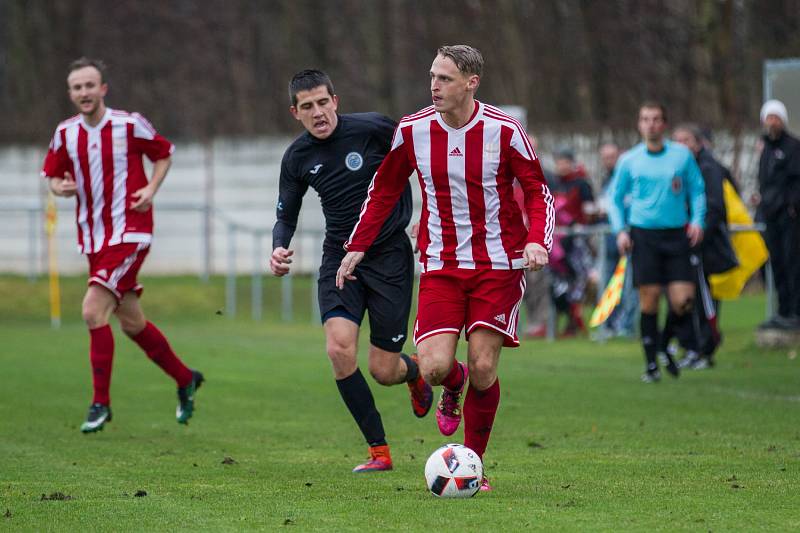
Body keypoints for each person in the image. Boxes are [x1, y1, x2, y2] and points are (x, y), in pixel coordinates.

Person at [336, 45, 553, 491]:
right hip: (441, 265)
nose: (434, 85)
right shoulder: (413, 131)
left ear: (471, 83)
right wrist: (357, 245)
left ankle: (474, 465)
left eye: (445, 78)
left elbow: (537, 191)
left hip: (498, 265)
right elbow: (384, 191)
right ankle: (451, 387)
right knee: (433, 368)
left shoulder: (505, 131)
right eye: (432, 76)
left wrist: (537, 241)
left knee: (484, 365)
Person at [269, 70, 432, 473]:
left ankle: (412, 372)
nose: (318, 112)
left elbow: (423, 165)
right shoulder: (297, 157)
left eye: (323, 102)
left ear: (335, 101)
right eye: (307, 106)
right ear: (296, 112)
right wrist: (277, 246)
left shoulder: (374, 128)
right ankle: (379, 451)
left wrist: (426, 215)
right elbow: (285, 213)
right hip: (339, 259)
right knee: (338, 348)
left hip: (390, 257)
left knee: (382, 369)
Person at [42, 58, 203, 432]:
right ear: (70, 94)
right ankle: (185, 378)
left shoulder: (128, 124)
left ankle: (100, 404)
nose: (84, 92)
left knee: (91, 311)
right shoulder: (66, 133)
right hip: (95, 239)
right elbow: (52, 174)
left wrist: (151, 188)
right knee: (131, 322)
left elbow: (164, 152)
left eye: (89, 85)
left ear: (103, 89)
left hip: (131, 232)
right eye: (77, 87)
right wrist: (58, 187)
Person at [608, 102, 706, 383]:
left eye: (656, 119)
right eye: (645, 119)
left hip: (677, 235)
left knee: (683, 301)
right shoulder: (629, 160)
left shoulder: (682, 156)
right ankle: (651, 364)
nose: (650, 124)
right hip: (644, 235)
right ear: (639, 125)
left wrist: (698, 220)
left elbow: (698, 190)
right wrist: (620, 231)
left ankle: (664, 343)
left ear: (664, 125)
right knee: (649, 301)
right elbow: (615, 199)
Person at [671, 124, 738, 369]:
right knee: (684, 297)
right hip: (683, 245)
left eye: (686, 139)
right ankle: (689, 345)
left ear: (697, 143)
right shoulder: (678, 168)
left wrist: (698, 234)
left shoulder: (709, 168)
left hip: (704, 247)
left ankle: (706, 348)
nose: (681, 145)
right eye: (676, 140)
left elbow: (716, 208)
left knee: (703, 298)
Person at [754, 100, 800, 330]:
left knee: (793, 263)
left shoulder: (793, 147)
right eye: (768, 118)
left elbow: (795, 181)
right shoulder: (765, 148)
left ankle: (796, 311)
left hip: (789, 216)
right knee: (777, 263)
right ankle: (783, 310)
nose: (772, 122)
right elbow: (764, 181)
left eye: (776, 118)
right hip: (770, 214)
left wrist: (792, 205)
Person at [549, 148, 595, 336]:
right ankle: (568, 321)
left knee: (580, 281)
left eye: (564, 162)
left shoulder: (582, 184)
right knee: (559, 284)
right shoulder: (554, 184)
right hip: (556, 243)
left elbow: (589, 210)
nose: (561, 166)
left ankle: (576, 320)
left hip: (576, 242)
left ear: (571, 162)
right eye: (558, 162)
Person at [595, 142, 638, 339]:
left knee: (630, 285)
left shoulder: (631, 178)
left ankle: (627, 325)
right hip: (610, 240)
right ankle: (609, 324)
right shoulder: (606, 179)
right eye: (605, 157)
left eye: (612, 157)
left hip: (629, 237)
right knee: (607, 283)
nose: (609, 161)